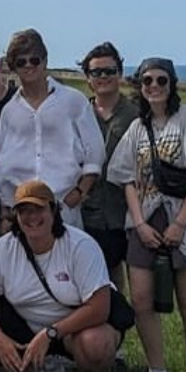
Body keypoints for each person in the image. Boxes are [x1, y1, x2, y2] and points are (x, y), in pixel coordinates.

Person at [107, 58, 186, 372]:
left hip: (185, 220)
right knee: (141, 299)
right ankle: (158, 370)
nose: (153, 86)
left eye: (161, 80)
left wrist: (180, 223)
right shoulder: (138, 128)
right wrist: (139, 223)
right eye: (147, 81)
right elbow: (125, 176)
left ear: (172, 84)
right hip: (145, 219)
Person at [0, 180, 120, 372]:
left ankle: (90, 371)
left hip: (75, 330)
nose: (31, 217)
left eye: (38, 209)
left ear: (53, 211)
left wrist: (50, 333)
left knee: (96, 344)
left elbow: (99, 308)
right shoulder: (3, 249)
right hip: (26, 329)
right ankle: (32, 368)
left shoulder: (81, 246)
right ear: (16, 217)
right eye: (24, 211)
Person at [0, 29, 105, 229]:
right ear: (13, 67)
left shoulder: (73, 101)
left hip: (63, 207)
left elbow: (95, 152)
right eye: (21, 61)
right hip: (23, 211)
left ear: (44, 61)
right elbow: (1, 164)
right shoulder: (9, 111)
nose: (28, 65)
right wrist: (6, 212)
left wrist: (79, 192)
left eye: (34, 60)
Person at [79, 43, 139, 306]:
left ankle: (120, 338)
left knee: (137, 292)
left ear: (120, 73)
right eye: (96, 73)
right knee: (95, 282)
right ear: (88, 79)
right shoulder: (78, 113)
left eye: (109, 71)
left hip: (128, 211)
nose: (103, 77)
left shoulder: (137, 116)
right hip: (88, 210)